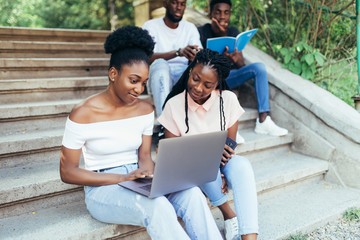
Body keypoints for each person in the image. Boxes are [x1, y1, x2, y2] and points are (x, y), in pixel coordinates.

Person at [59, 26, 223, 240]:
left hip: (139, 179)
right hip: (102, 187)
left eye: (144, 83)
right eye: (133, 80)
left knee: (193, 194)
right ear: (113, 74)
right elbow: (68, 172)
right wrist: (122, 177)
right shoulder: (82, 114)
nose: (139, 89)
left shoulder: (145, 110)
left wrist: (154, 176)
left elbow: (145, 158)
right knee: (158, 207)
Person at [158, 49, 258, 240]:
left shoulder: (227, 99)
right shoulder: (173, 105)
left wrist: (219, 167)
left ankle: (249, 237)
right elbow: (172, 153)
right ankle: (229, 214)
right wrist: (209, 164)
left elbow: (230, 142)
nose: (198, 88)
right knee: (201, 163)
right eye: (195, 78)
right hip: (190, 166)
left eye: (207, 85)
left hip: (222, 160)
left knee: (243, 166)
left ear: (217, 84)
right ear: (189, 72)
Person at [197, 0, 288, 142]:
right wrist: (220, 37)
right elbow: (201, 66)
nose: (222, 16)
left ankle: (263, 121)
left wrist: (234, 58)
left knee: (259, 68)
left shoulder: (233, 32)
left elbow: (241, 65)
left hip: (231, 77)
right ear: (211, 14)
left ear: (230, 15)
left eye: (226, 12)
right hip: (212, 80)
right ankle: (230, 130)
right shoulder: (202, 32)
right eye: (218, 12)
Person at [142, 0, 203, 118]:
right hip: (158, 73)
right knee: (160, 64)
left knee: (200, 70)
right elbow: (146, 57)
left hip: (182, 73)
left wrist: (195, 54)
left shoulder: (190, 28)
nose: (179, 7)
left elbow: (200, 53)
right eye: (175, 3)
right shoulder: (150, 26)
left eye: (182, 4)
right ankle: (164, 123)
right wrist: (177, 53)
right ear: (165, 3)